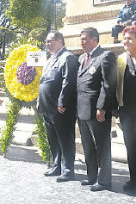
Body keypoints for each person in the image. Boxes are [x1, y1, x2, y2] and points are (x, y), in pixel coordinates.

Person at [77, 27, 116, 191]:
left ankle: (104, 180)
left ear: (95, 39)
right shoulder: (81, 58)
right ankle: (91, 176)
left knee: (102, 146)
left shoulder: (105, 56)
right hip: (82, 110)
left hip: (97, 111)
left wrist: (102, 107)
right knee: (88, 146)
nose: (81, 42)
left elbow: (107, 85)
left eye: (84, 38)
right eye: (81, 38)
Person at [38, 31, 78, 182]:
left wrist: (62, 102)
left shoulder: (67, 58)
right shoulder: (50, 58)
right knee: (53, 138)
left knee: (65, 138)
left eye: (50, 41)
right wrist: (39, 100)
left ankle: (68, 170)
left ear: (60, 41)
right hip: (47, 106)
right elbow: (43, 81)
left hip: (60, 107)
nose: (47, 44)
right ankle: (57, 166)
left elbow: (68, 81)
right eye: (46, 41)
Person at [116, 25, 136, 191]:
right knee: (131, 146)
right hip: (128, 112)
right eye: (125, 38)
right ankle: (134, 179)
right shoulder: (121, 60)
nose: (126, 41)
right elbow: (114, 85)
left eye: (129, 38)